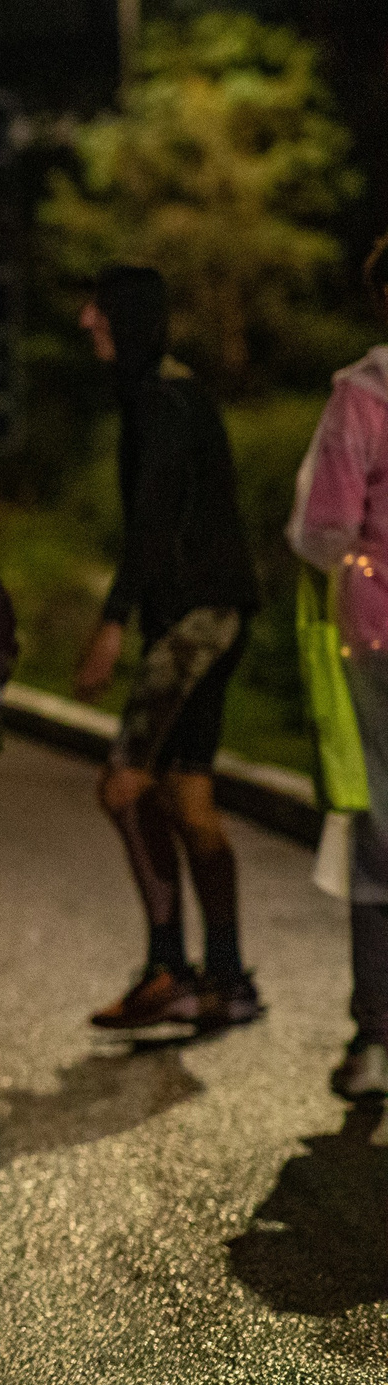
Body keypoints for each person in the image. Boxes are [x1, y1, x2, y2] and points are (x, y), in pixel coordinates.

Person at [72, 265, 265, 1031]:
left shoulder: (162, 401)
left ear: (129, 318)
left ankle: (169, 968)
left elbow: (152, 518)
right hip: (218, 611)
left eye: (100, 309)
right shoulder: (171, 392)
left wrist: (113, 621)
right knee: (188, 800)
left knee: (122, 786)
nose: (86, 320)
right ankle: (226, 979)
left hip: (194, 619)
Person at [288, 234, 388, 1097]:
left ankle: (375, 1038)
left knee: (378, 830)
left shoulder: (363, 396)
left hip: (377, 636)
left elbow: (325, 527)